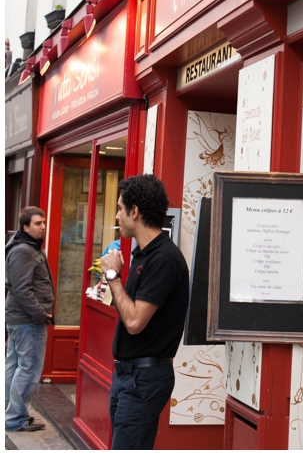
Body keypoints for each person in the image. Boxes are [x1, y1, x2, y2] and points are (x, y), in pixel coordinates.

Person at [100, 174, 189, 449]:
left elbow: (135, 321)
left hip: (144, 378)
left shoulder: (163, 259)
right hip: (128, 376)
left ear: (134, 212)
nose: (117, 216)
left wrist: (114, 276)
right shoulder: (144, 254)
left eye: (119, 208)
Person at [5, 207, 54, 432]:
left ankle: (10, 413)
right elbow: (22, 290)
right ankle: (15, 418)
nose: (43, 226)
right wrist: (40, 314)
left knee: (15, 366)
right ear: (25, 227)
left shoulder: (27, 247)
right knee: (29, 369)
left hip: (21, 319)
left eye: (43, 222)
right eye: (37, 223)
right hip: (27, 321)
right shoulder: (23, 250)